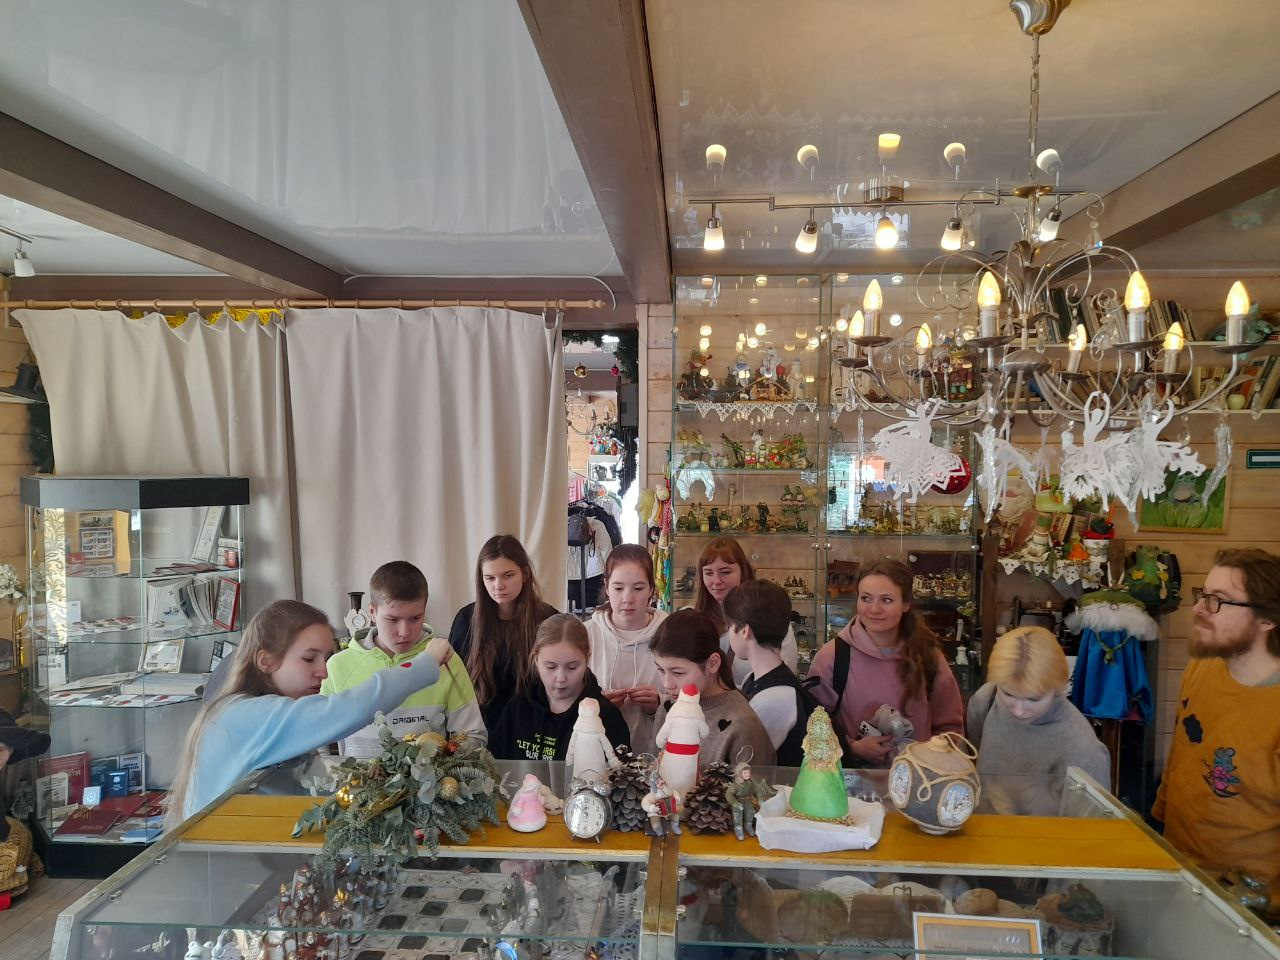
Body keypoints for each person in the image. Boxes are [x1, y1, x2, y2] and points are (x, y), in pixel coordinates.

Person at [167, 600, 454, 827]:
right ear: (266, 661)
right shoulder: (247, 714)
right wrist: (425, 663)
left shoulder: (246, 708)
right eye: (308, 658)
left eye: (326, 658)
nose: (324, 672)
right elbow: (351, 708)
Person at [1153, 549, 1280, 916]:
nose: (1198, 608)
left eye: (1218, 600)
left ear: (1267, 618)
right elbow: (1181, 756)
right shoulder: (1203, 665)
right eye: (1202, 594)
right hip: (1177, 879)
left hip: (1251, 914)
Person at [806, 558, 963, 767]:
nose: (874, 609)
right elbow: (812, 727)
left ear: (906, 604)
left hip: (917, 778)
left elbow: (951, 729)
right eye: (866, 598)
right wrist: (852, 747)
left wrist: (926, 757)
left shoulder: (928, 657)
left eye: (887, 600)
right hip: (852, 781)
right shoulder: (832, 657)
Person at [320, 561, 485, 756]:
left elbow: (473, 736)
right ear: (372, 612)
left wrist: (441, 764)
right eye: (392, 619)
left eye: (415, 618)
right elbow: (315, 739)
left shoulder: (446, 660)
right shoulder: (337, 666)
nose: (404, 632)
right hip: (354, 777)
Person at [967, 626, 1110, 815]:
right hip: (983, 828)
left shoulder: (1083, 749)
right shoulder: (986, 700)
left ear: (1059, 688)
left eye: (1033, 699)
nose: (1018, 711)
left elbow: (1094, 826)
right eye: (1008, 694)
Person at [639, 608, 775, 767]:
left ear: (713, 663)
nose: (667, 684)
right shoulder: (669, 705)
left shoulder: (743, 724)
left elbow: (754, 782)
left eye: (677, 673)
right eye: (661, 670)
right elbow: (653, 770)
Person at [449, 535, 557, 731]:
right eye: (490, 578)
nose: (498, 585)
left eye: (508, 575)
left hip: (533, 728)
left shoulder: (548, 620)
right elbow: (454, 684)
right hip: (479, 729)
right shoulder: (466, 620)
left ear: (525, 574)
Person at [489, 613, 629, 763]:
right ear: (536, 659)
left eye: (572, 667)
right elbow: (493, 765)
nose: (561, 678)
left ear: (587, 658)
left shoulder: (607, 716)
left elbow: (621, 772)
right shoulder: (517, 709)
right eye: (551, 667)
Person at [724, 579, 817, 767]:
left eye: (730, 626)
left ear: (745, 631)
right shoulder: (756, 679)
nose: (728, 634)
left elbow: (745, 762)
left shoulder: (775, 697)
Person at [692, 536, 798, 686]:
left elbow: (785, 673)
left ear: (743, 571)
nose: (716, 581)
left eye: (725, 572)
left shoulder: (770, 615)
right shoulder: (693, 619)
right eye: (709, 573)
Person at [586, 544, 669, 734]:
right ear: (607, 587)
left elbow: (692, 697)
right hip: (598, 746)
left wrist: (660, 702)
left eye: (638, 588)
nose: (627, 598)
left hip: (655, 747)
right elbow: (563, 696)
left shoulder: (670, 633)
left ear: (651, 589)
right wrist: (596, 706)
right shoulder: (585, 635)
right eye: (618, 588)